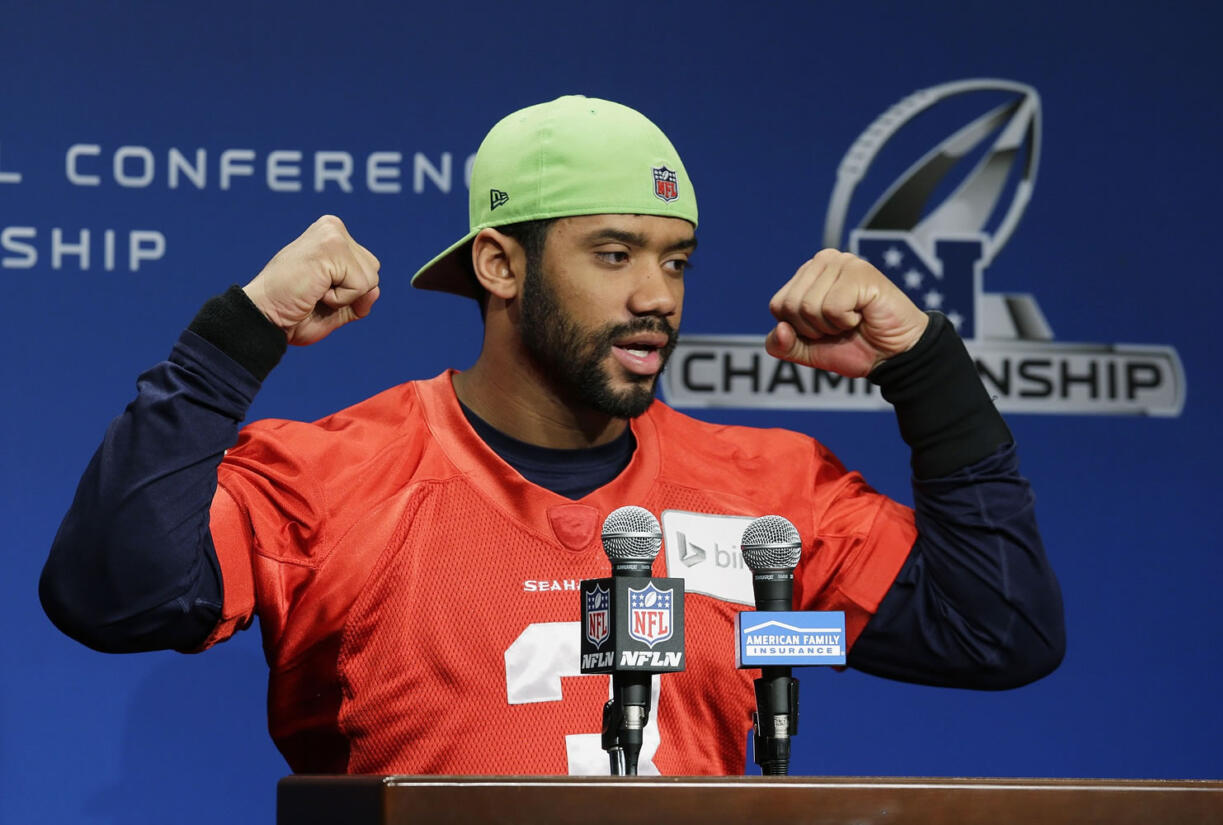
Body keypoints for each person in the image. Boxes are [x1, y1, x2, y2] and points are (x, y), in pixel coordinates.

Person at [41, 95, 1064, 776]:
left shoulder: (768, 499)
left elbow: (994, 631)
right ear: (497, 266)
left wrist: (923, 364)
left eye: (675, 261)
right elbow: (111, 597)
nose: (655, 296)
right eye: (612, 254)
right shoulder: (330, 476)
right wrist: (236, 336)